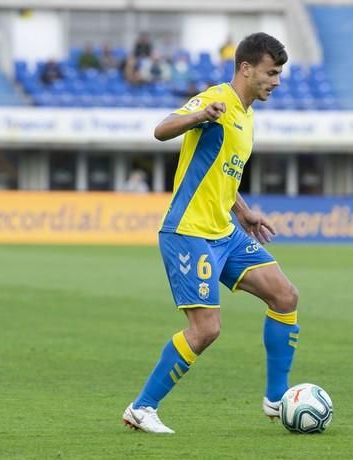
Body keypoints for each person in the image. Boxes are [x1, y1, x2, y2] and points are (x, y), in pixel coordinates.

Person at [122, 33, 298, 434]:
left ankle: (276, 399)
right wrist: (198, 117)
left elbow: (222, 174)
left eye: (280, 74)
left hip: (225, 232)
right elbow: (162, 129)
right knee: (206, 329)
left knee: (285, 295)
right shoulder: (216, 99)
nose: (276, 81)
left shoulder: (248, 115)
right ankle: (141, 408)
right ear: (246, 68)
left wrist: (244, 211)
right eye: (271, 73)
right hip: (188, 232)